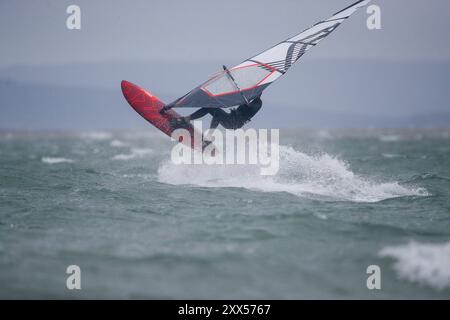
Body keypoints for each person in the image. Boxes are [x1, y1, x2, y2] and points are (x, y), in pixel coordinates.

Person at [169, 96, 262, 131]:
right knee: (214, 111)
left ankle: (185, 120)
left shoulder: (258, 103)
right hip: (231, 118)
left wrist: (245, 101)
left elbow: (251, 107)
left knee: (214, 110)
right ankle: (209, 136)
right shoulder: (247, 97)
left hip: (234, 123)